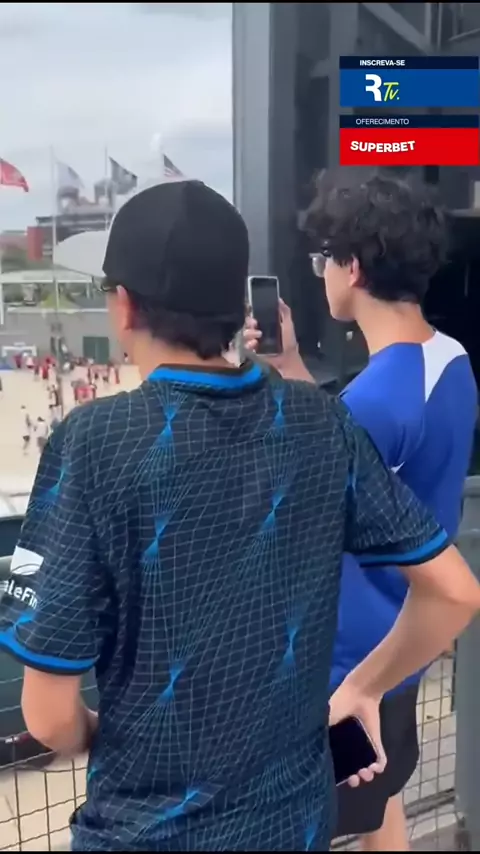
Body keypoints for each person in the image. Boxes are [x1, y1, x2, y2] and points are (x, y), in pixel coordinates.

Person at [1, 181, 479, 854]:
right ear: (238, 305)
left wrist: (110, 736)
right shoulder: (324, 421)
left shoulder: (94, 443)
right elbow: (455, 592)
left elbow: (49, 717)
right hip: (292, 823)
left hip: (145, 831)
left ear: (124, 305)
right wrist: (365, 688)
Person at [244, 171, 478, 851]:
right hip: (402, 642)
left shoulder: (375, 400)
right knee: (380, 804)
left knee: (306, 825)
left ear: (352, 268)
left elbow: (310, 482)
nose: (321, 274)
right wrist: (291, 362)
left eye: (324, 259)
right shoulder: (448, 361)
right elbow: (357, 444)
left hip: (349, 667)